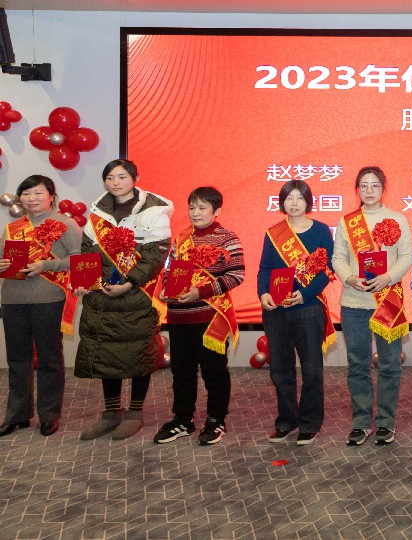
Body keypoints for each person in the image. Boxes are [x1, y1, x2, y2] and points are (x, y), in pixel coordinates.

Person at [75, 159, 173, 440]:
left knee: (138, 353)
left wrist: (129, 283)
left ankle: (134, 413)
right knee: (105, 351)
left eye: (121, 176)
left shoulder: (154, 211)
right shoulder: (98, 211)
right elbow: (87, 251)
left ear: (135, 178)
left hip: (137, 296)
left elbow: (156, 255)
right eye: (109, 177)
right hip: (102, 296)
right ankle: (111, 412)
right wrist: (84, 282)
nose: (115, 183)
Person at [154, 187, 245, 446]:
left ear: (217, 211)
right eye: (192, 207)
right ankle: (183, 419)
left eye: (202, 207)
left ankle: (216, 420)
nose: (196, 212)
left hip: (210, 317)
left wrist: (200, 292)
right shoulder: (182, 237)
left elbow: (237, 275)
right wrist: (166, 289)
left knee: (214, 372)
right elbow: (170, 270)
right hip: (179, 316)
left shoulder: (227, 238)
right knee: (182, 373)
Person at [332, 166, 412, 447]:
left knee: (389, 364)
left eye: (375, 185)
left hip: (387, 300)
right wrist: (349, 278)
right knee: (358, 364)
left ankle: (386, 422)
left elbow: (406, 256)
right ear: (357, 189)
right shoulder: (347, 222)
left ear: (383, 188)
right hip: (354, 303)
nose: (369, 190)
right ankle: (360, 422)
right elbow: (338, 258)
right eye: (364, 186)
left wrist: (388, 277)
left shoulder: (397, 219)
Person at [0, 175, 81, 437]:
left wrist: (47, 265)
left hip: (48, 299)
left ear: (51, 196)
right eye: (26, 193)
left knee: (49, 358)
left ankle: (49, 415)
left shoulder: (65, 224)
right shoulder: (13, 228)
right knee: (17, 359)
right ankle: (17, 415)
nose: (31, 198)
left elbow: (79, 259)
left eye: (37, 193)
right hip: (12, 299)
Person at [257, 180, 335, 446]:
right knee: (280, 369)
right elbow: (265, 269)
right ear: (282, 202)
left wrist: (305, 293)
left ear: (308, 202)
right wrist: (263, 294)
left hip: (308, 308)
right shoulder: (273, 233)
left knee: (312, 369)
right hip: (276, 309)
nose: (294, 203)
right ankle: (286, 421)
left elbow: (327, 270)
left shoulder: (321, 231)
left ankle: (310, 423)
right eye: (289, 198)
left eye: (299, 198)